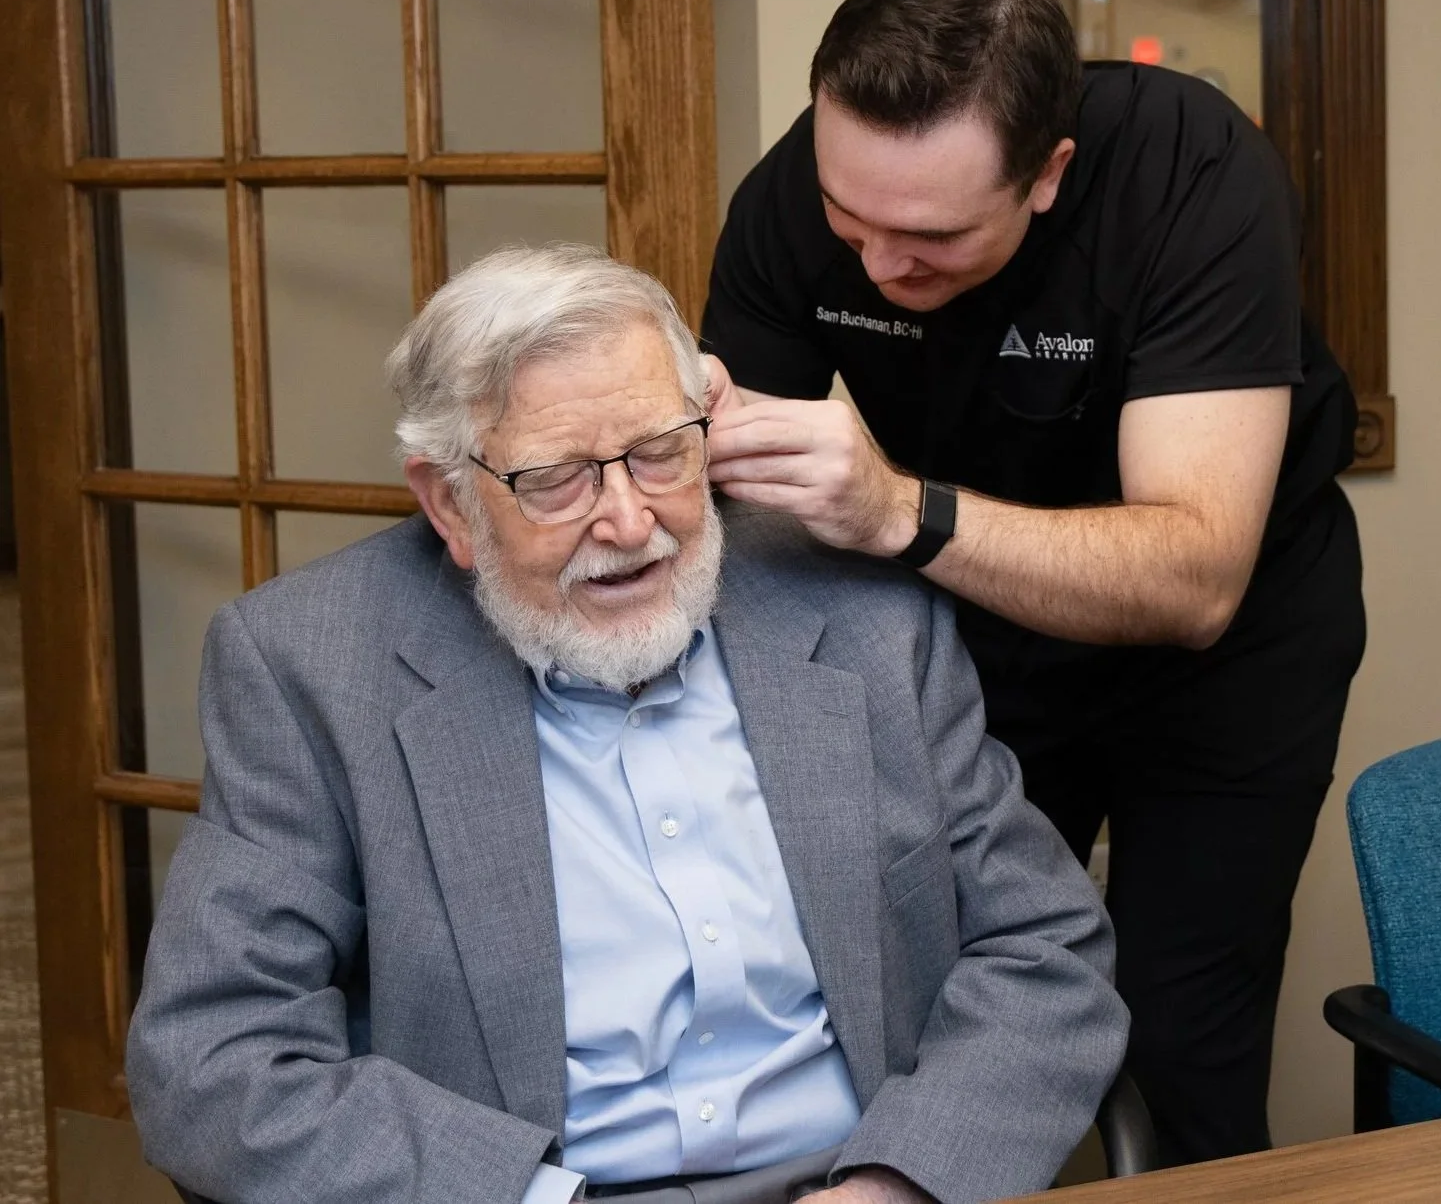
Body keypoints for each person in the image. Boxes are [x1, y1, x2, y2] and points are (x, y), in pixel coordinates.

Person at [126, 244, 1127, 1204]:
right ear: (448, 504)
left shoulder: (866, 616)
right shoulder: (312, 666)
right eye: (556, 479)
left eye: (658, 454)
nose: (629, 523)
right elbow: (214, 1060)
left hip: (854, 1174)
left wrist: (902, 1181)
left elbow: (1045, 947)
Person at [700, 0, 1367, 1166]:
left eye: (932, 238)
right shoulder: (795, 198)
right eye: (852, 222)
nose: (880, 266)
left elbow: (1196, 577)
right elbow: (742, 517)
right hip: (968, 626)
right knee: (942, 1010)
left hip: (1225, 652)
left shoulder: (1191, 169)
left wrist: (899, 513)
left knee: (1178, 1044)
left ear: (1048, 174)